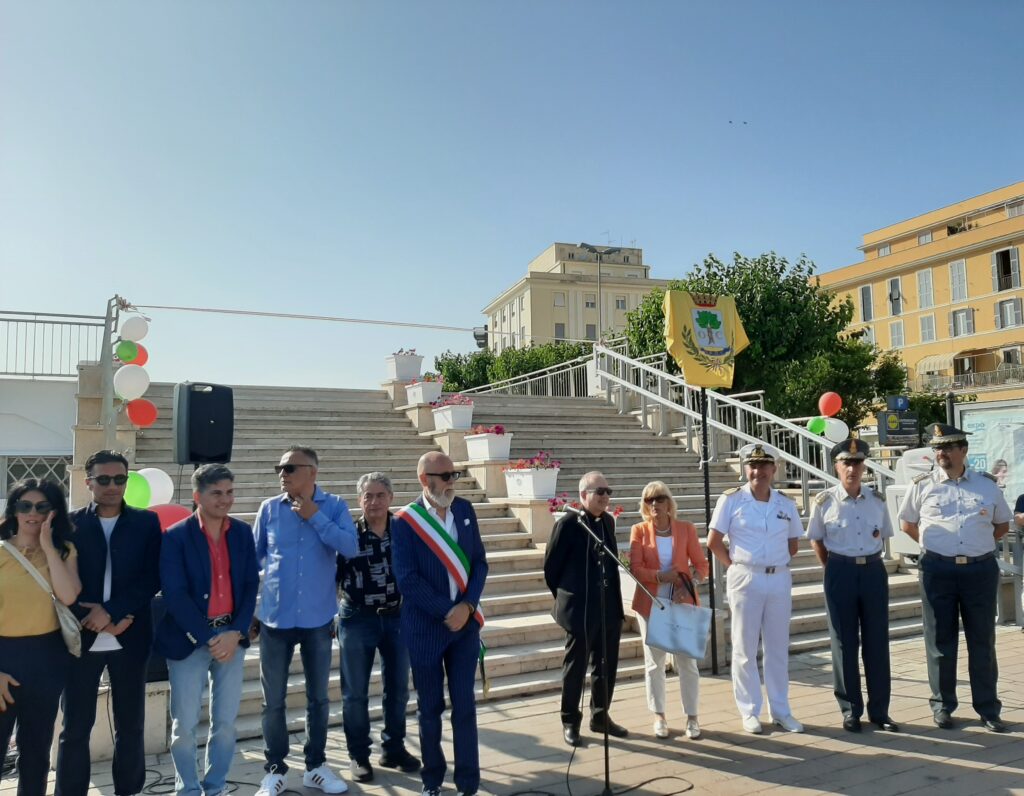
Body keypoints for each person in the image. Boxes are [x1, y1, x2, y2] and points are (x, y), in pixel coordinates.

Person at [253, 446, 359, 796]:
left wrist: (315, 516)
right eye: (278, 468)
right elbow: (256, 561)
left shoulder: (335, 507)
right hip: (275, 620)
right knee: (274, 701)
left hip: (317, 619)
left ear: (312, 472)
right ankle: (275, 768)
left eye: (290, 468)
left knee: (318, 698)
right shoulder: (269, 509)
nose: (282, 474)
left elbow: (350, 546)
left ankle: (315, 766)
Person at [57, 451, 162, 796]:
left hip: (129, 634)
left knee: (131, 726)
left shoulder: (146, 523)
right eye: (104, 479)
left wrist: (116, 613)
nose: (112, 486)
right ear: (88, 483)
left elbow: (152, 577)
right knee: (75, 727)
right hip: (81, 637)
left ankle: (128, 790)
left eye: (120, 479)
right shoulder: (70, 524)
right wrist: (93, 618)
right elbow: (60, 583)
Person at [898, 423, 1012, 732]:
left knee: (982, 641)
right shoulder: (922, 485)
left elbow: (1002, 524)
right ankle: (943, 705)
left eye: (947, 447)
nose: (941, 453)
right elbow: (907, 523)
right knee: (939, 641)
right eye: (937, 448)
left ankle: (988, 708)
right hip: (938, 570)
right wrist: (934, 547)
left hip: (979, 570)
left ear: (963, 450)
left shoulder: (987, 485)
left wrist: (978, 545)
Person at [156, 464, 259, 796]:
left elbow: (248, 584)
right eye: (217, 493)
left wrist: (236, 632)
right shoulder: (176, 537)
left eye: (229, 492)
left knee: (226, 726)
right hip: (190, 641)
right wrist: (209, 637)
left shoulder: (242, 533)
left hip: (232, 638)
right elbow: (175, 594)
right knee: (184, 727)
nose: (225, 499)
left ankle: (215, 787)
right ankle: (187, 789)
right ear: (197, 496)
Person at [392, 452, 488, 796]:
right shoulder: (404, 521)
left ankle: (467, 784)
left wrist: (467, 605)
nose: (451, 481)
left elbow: (479, 563)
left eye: (454, 475)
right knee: (429, 710)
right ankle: (432, 780)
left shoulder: (464, 510)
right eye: (444, 475)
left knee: (465, 706)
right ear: (424, 479)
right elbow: (407, 579)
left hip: (464, 628)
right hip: (424, 629)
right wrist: (447, 611)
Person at [707, 442, 804, 735]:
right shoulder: (732, 500)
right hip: (745, 577)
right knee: (744, 647)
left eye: (764, 466)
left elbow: (794, 544)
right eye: (753, 465)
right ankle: (749, 711)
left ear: (774, 469)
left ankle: (781, 710)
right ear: (745, 469)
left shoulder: (785, 504)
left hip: (778, 578)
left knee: (776, 647)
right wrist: (735, 565)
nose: (757, 471)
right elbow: (714, 541)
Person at [806, 438, 898, 733]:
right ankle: (850, 710)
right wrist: (833, 567)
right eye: (847, 462)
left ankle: (880, 711)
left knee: (877, 641)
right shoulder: (825, 502)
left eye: (858, 463)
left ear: (864, 466)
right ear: (836, 466)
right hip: (840, 571)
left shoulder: (877, 501)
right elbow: (816, 539)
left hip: (872, 570)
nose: (853, 468)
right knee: (844, 643)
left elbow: (883, 536)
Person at [336, 472, 420, 783]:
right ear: (359, 500)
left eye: (380, 495)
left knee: (397, 689)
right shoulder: (347, 532)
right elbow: (331, 573)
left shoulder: (406, 531)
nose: (374, 502)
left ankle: (394, 748)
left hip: (398, 618)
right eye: (367, 496)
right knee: (355, 693)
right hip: (357, 618)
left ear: (390, 498)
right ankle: (359, 755)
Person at [0, 479, 81, 796]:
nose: (33, 513)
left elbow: (68, 595)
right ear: (15, 510)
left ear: (53, 511)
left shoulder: (63, 550)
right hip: (4, 655)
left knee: (35, 753)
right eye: (25, 506)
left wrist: (47, 546)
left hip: (47, 657)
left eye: (42, 506)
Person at [544, 470, 627, 747]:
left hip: (607, 607)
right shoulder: (569, 523)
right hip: (580, 609)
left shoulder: (607, 523)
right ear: (583, 495)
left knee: (606, 665)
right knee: (576, 667)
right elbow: (551, 568)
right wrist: (567, 598)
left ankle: (601, 715)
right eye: (599, 492)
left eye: (608, 492)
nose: (605, 497)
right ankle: (570, 720)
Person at [629, 480, 709, 740]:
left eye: (660, 498)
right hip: (651, 604)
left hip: (682, 603)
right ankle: (659, 715)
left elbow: (701, 565)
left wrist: (691, 584)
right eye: (649, 500)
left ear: (669, 502)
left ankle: (693, 717)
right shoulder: (639, 531)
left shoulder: (686, 529)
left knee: (688, 663)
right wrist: (661, 577)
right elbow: (636, 568)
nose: (655, 504)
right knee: (655, 663)